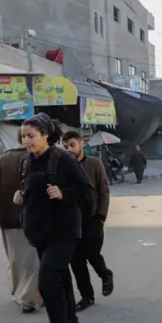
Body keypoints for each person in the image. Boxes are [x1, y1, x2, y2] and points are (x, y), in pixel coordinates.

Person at [13, 113, 94, 323]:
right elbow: (29, 190)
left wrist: (64, 193)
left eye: (31, 136)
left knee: (48, 280)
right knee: (61, 280)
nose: (27, 141)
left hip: (64, 232)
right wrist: (20, 196)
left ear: (45, 135)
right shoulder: (26, 162)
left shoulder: (63, 159)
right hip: (40, 233)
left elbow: (86, 191)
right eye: (24, 136)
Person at [0, 131, 42, 314]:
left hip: (8, 220)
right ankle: (28, 298)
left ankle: (20, 293)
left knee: (15, 260)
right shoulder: (37, 159)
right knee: (33, 262)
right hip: (34, 219)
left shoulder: (1, 161)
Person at [62, 131, 114, 312]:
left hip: (92, 218)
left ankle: (105, 274)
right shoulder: (63, 166)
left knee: (92, 253)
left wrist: (101, 216)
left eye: (72, 145)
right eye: (66, 146)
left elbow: (103, 191)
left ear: (81, 144)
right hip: (70, 221)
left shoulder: (94, 163)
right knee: (76, 261)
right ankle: (87, 296)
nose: (69, 149)